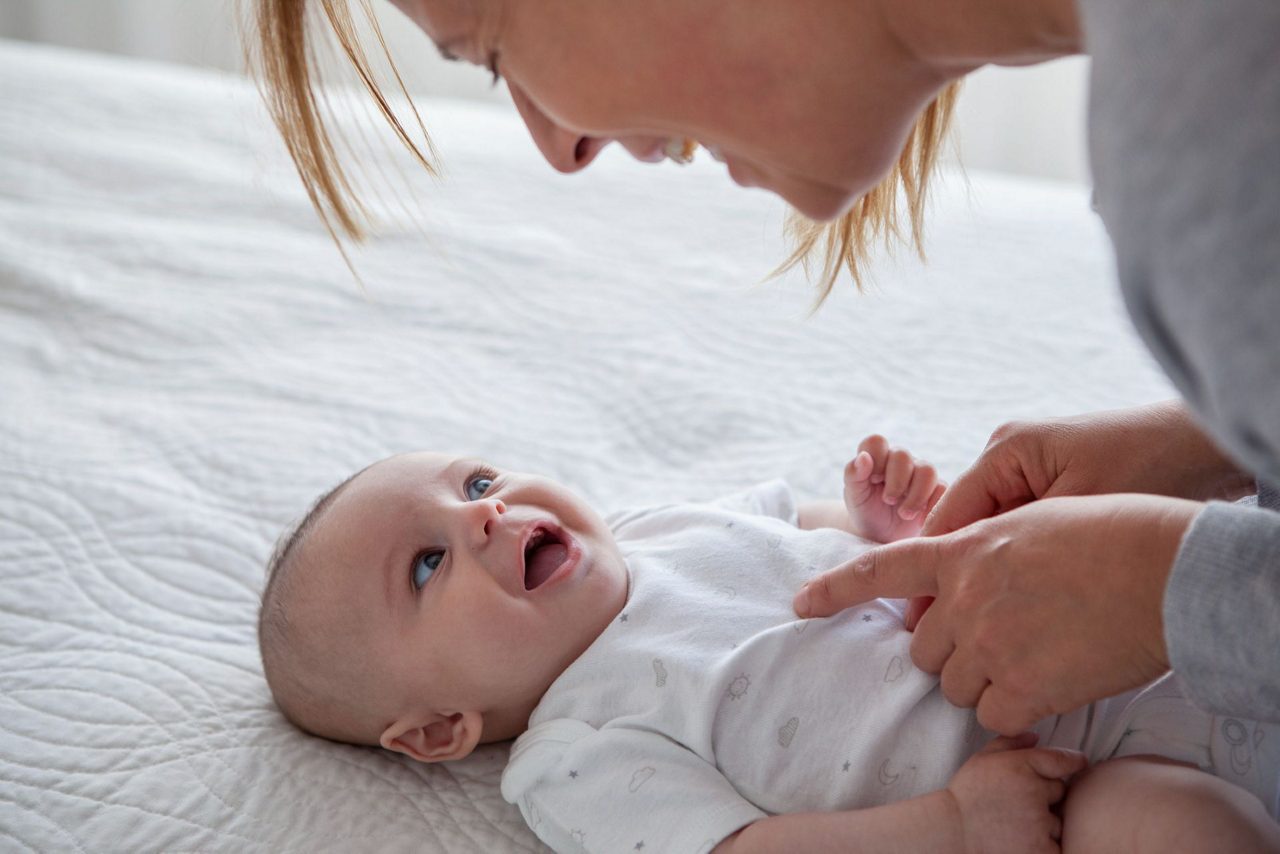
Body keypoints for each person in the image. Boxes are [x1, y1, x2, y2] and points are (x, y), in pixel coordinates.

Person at [252, 0, 1280, 729]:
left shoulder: (1215, 139)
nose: (558, 146)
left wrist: (1165, 588)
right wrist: (1209, 440)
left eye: (489, 49)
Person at [258, 441, 1279, 853]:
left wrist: (878, 523)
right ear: (439, 726)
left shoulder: (664, 525)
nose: (481, 516)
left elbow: (816, 538)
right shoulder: (576, 750)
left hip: (1089, 630)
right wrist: (953, 824)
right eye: (425, 566)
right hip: (1056, 782)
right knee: (1193, 826)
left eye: (475, 483)